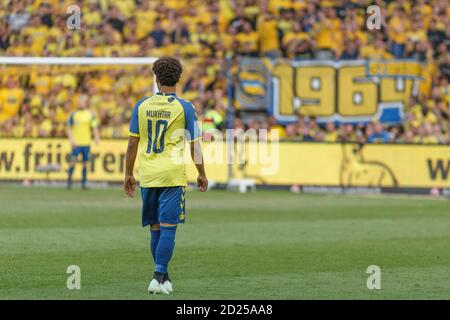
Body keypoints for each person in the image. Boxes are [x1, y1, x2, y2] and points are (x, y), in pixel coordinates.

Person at [124, 57, 208, 295]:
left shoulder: (141, 105)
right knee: (168, 229)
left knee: (155, 229)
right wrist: (201, 173)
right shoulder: (185, 107)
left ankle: (163, 276)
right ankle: (158, 275)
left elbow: (132, 144)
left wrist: (128, 174)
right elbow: (195, 145)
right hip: (172, 175)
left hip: (148, 175)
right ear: (178, 79)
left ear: (156, 79)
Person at [66, 95, 100, 189]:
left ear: (86, 103)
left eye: (82, 101)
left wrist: (97, 137)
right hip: (76, 143)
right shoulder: (74, 114)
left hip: (86, 143)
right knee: (73, 161)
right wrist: (72, 140)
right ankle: (69, 182)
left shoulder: (90, 115)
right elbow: (68, 128)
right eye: (79, 101)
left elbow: (94, 127)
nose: (80, 103)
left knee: (85, 163)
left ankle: (84, 183)